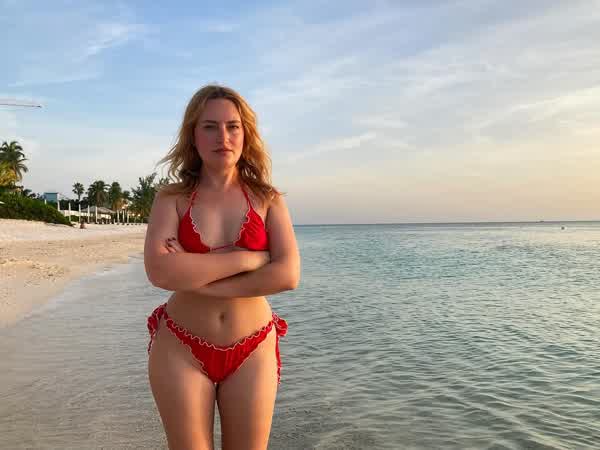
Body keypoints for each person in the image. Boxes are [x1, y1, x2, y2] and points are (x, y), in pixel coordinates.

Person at [144, 85, 300, 450]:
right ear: (193, 135)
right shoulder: (172, 198)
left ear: (246, 134)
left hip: (253, 348)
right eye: (210, 127)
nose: (223, 137)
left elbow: (288, 275)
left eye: (233, 126)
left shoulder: (268, 199)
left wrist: (197, 275)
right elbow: (160, 272)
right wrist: (248, 259)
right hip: (181, 347)